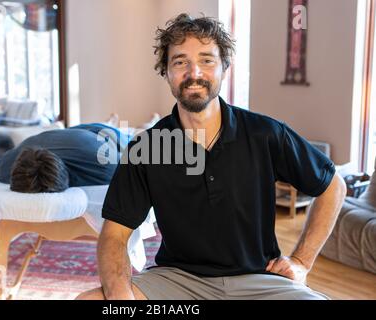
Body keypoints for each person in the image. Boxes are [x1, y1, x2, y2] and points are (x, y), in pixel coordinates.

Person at [77, 13, 347, 300]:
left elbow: (333, 186)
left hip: (258, 281)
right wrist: (121, 298)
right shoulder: (146, 148)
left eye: (207, 60)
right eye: (180, 62)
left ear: (224, 68)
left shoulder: (264, 134)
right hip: (177, 283)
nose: (194, 73)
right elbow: (114, 236)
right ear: (165, 71)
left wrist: (302, 261)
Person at [0, 121, 130, 193]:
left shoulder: (106, 167)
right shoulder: (6, 167)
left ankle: (114, 122)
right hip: (70, 134)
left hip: (104, 134)